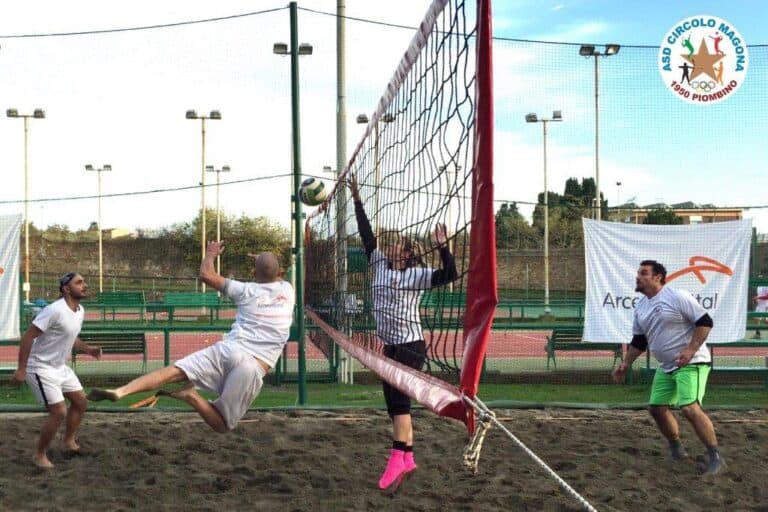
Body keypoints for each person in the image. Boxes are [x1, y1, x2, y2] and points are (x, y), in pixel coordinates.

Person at [88, 241, 294, 433]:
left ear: (253, 272)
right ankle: (192, 397)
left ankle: (121, 391)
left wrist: (211, 253)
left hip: (229, 350)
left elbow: (206, 274)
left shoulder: (245, 290)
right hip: (253, 365)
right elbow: (271, 271)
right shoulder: (288, 290)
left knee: (172, 372)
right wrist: (263, 263)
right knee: (222, 425)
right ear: (280, 273)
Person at [348, 174, 457, 492]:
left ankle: (398, 459)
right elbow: (368, 237)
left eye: (400, 244)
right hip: (391, 346)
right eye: (395, 243)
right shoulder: (380, 264)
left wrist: (444, 248)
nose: (394, 245)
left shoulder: (415, 275)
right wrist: (357, 200)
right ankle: (407, 458)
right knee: (392, 404)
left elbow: (449, 274)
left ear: (408, 254)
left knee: (400, 405)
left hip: (411, 346)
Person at [612, 260, 725, 476]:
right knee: (656, 408)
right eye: (638, 273)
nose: (638, 276)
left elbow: (705, 321)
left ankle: (715, 457)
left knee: (689, 408)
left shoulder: (676, 296)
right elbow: (639, 341)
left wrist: (690, 350)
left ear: (658, 277)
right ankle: (677, 448)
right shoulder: (641, 306)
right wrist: (626, 363)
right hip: (666, 367)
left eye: (643, 273)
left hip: (692, 363)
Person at [11, 272, 102, 469]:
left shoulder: (80, 311)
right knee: (59, 412)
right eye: (79, 282)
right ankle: (39, 454)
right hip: (40, 367)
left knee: (80, 401)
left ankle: (68, 441)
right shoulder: (54, 310)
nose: (84, 285)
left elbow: (70, 337)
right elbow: (28, 336)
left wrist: (89, 350)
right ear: (66, 289)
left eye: (84, 281)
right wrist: (21, 369)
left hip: (60, 368)